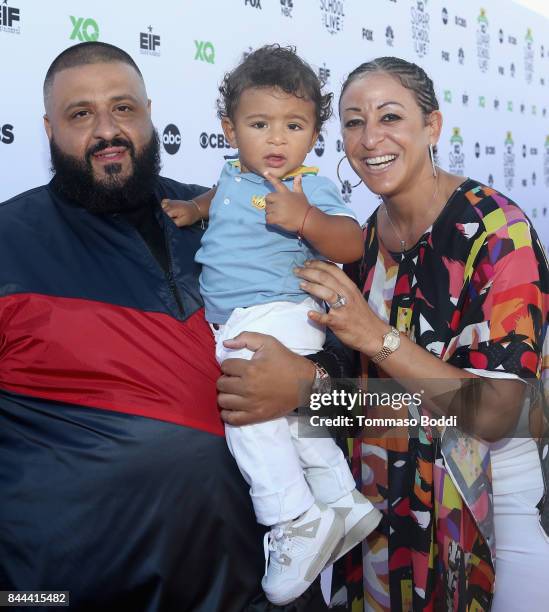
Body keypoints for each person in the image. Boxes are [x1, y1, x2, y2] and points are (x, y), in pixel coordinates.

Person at [0, 41, 334, 612]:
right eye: (81, 114)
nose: (107, 130)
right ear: (48, 128)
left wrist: (312, 385)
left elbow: (354, 369)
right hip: (71, 588)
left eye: (124, 108)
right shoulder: (9, 240)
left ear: (151, 112)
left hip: (260, 584)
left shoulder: (241, 212)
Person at [288, 57, 549, 611]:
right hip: (383, 508)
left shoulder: (497, 232)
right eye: (353, 122)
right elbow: (360, 408)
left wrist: (375, 336)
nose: (369, 138)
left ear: (432, 127)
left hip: (491, 513)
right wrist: (297, 392)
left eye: (390, 117)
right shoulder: (358, 245)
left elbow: (495, 413)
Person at [162, 45, 381, 606]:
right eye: (261, 125)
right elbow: (227, 196)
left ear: (313, 136)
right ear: (230, 132)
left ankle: (291, 519)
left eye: (294, 126)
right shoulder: (235, 172)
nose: (277, 139)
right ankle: (339, 496)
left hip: (279, 310)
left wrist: (305, 219)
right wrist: (197, 209)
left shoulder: (307, 185)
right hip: (249, 313)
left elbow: (352, 242)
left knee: (247, 412)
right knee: (283, 418)